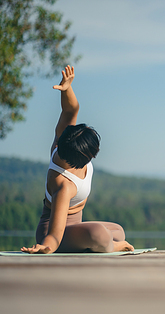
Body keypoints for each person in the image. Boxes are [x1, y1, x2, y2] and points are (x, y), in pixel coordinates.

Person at [21, 66, 134, 254]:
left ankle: (100, 242)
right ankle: (112, 246)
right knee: (101, 234)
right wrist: (45, 246)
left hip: (75, 231)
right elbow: (55, 236)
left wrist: (67, 89)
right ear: (81, 160)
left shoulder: (64, 143)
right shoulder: (63, 185)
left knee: (118, 231)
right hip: (55, 233)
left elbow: (71, 109)